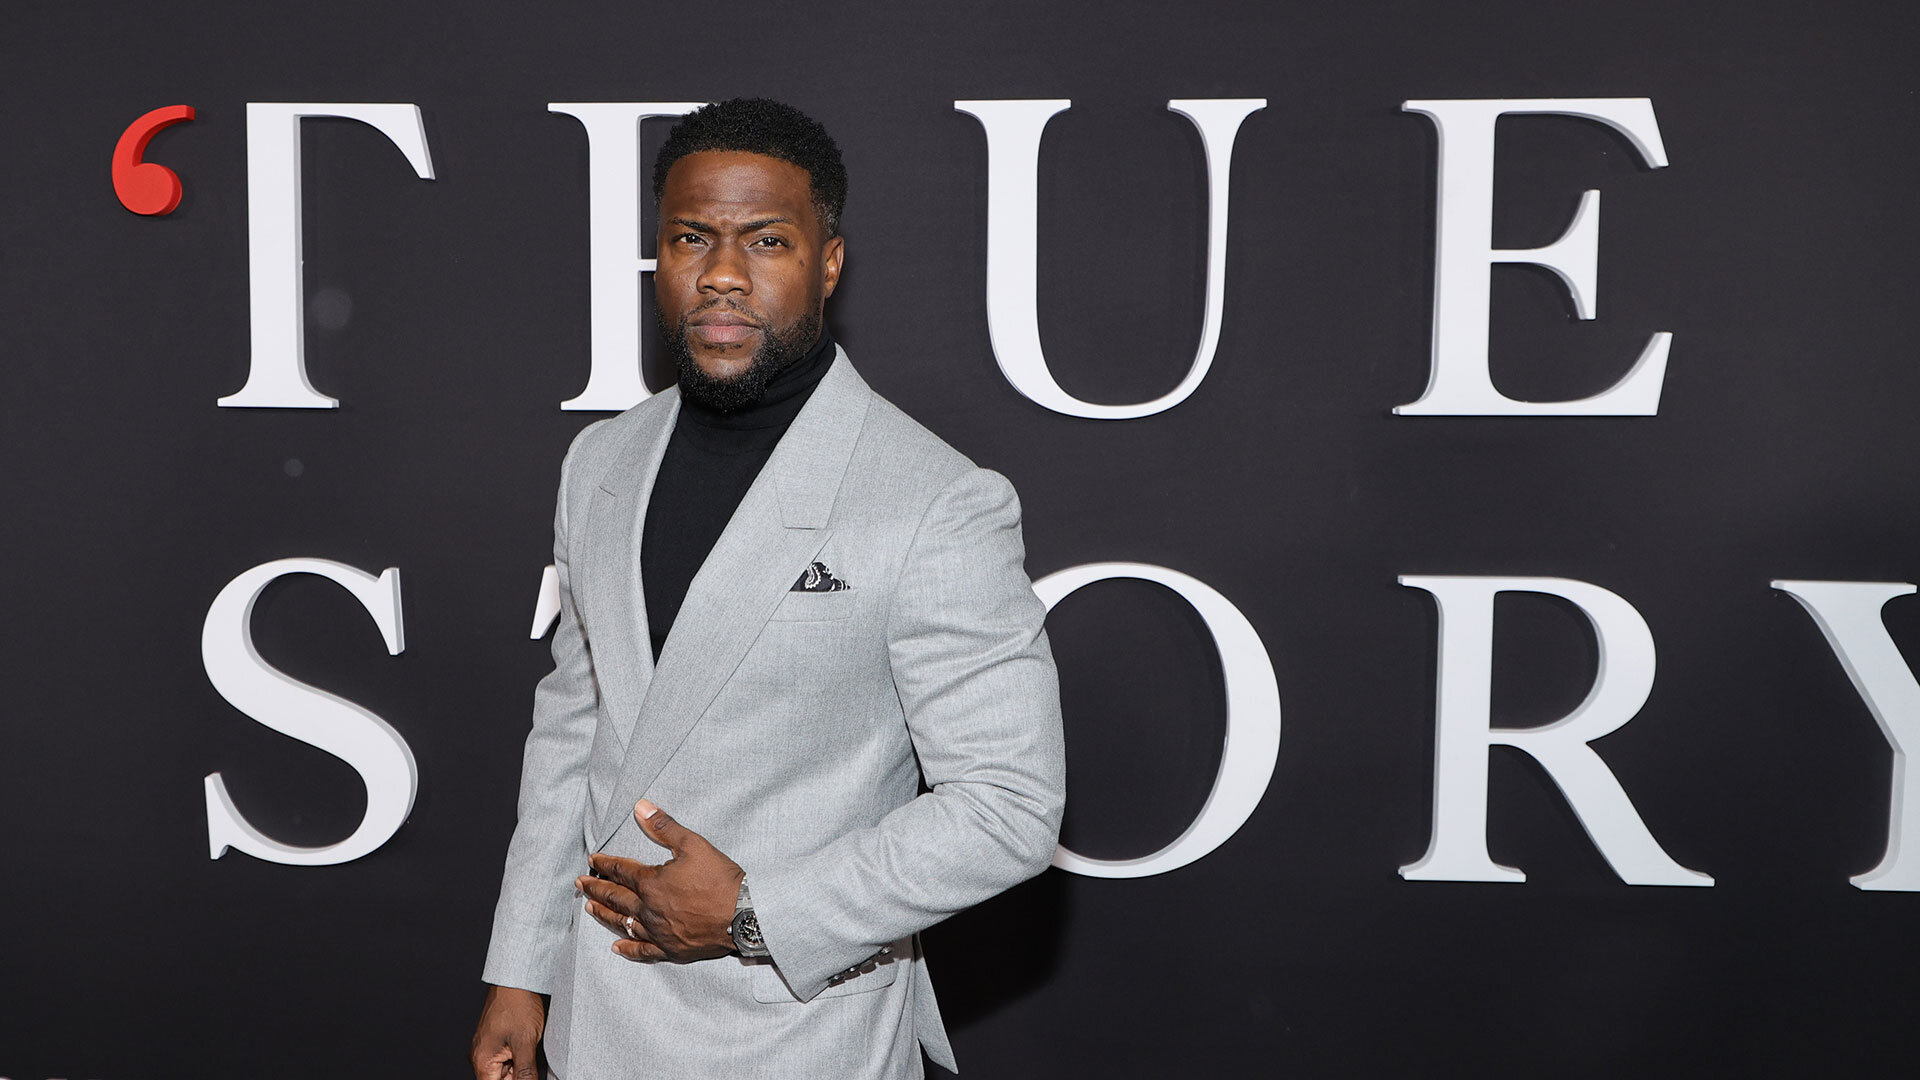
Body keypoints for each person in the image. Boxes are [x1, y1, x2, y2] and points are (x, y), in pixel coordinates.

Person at [470, 98, 1067, 1080]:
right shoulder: (601, 463)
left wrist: (756, 918)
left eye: (768, 240)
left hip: (801, 1032)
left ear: (828, 262)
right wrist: (520, 972)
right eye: (692, 237)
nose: (723, 275)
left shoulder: (934, 500)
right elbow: (576, 732)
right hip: (597, 1019)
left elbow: (1008, 805)